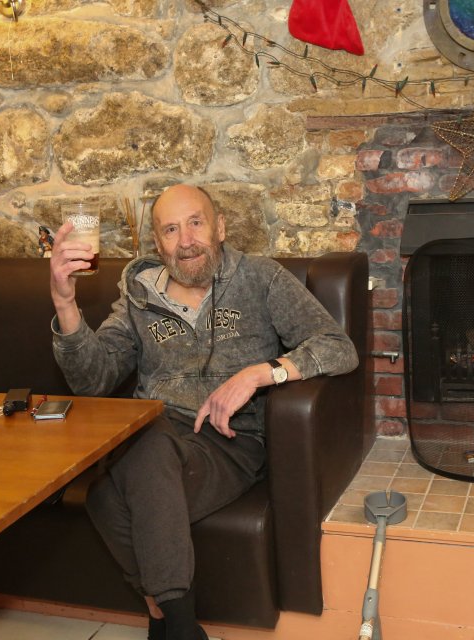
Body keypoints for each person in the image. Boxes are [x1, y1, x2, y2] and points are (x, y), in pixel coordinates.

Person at [49, 184, 358, 640]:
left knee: (111, 492)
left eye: (196, 223)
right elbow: (92, 379)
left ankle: (166, 618)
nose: (186, 240)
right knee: (127, 468)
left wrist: (259, 374)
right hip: (157, 439)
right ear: (158, 243)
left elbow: (338, 347)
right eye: (171, 230)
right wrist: (64, 302)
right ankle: (178, 624)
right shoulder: (138, 297)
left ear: (220, 228)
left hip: (230, 443)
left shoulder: (261, 279)